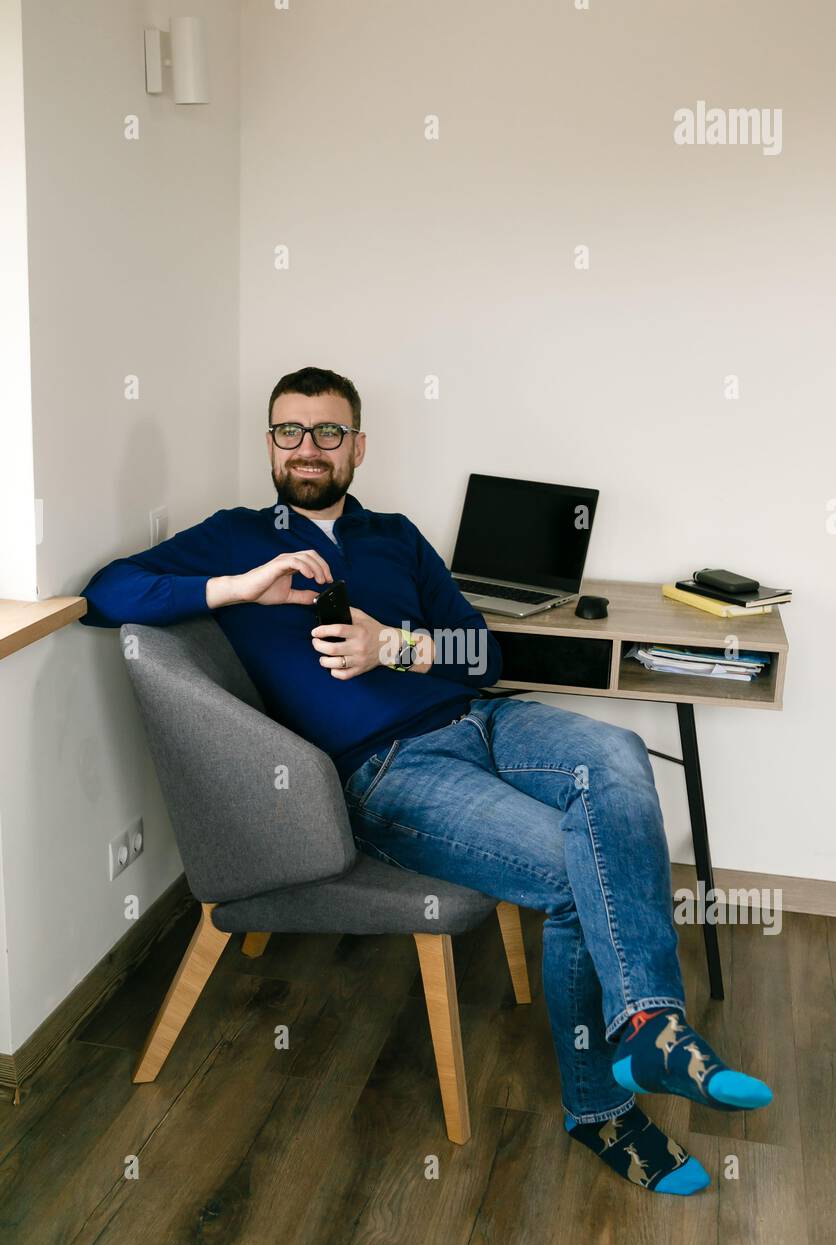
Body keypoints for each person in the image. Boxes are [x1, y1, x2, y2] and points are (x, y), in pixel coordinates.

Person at [80, 365, 773, 1196]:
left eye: (328, 432)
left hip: (485, 720)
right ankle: (602, 1113)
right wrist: (240, 590)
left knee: (619, 753)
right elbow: (104, 593)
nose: (307, 448)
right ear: (269, 443)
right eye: (289, 431)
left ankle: (650, 1027)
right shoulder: (233, 535)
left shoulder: (395, 535)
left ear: (358, 446)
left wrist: (394, 647)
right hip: (387, 768)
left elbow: (487, 651)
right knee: (566, 870)